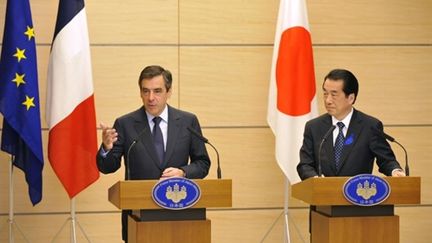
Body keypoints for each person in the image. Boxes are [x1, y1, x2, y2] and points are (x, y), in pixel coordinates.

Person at [96, 65, 211, 242]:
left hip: (180, 213)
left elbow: (203, 163)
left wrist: (183, 172)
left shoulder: (187, 121)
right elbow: (108, 167)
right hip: (138, 217)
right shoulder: (125, 124)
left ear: (169, 91)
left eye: (157, 91)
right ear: (140, 92)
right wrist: (106, 148)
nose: (151, 98)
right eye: (146, 91)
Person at [297, 68, 405, 179]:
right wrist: (315, 179)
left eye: (334, 95)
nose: (328, 100)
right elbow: (305, 165)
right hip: (323, 193)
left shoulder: (370, 126)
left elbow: (386, 160)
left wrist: (395, 171)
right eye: (325, 94)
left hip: (358, 194)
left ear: (351, 98)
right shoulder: (314, 127)